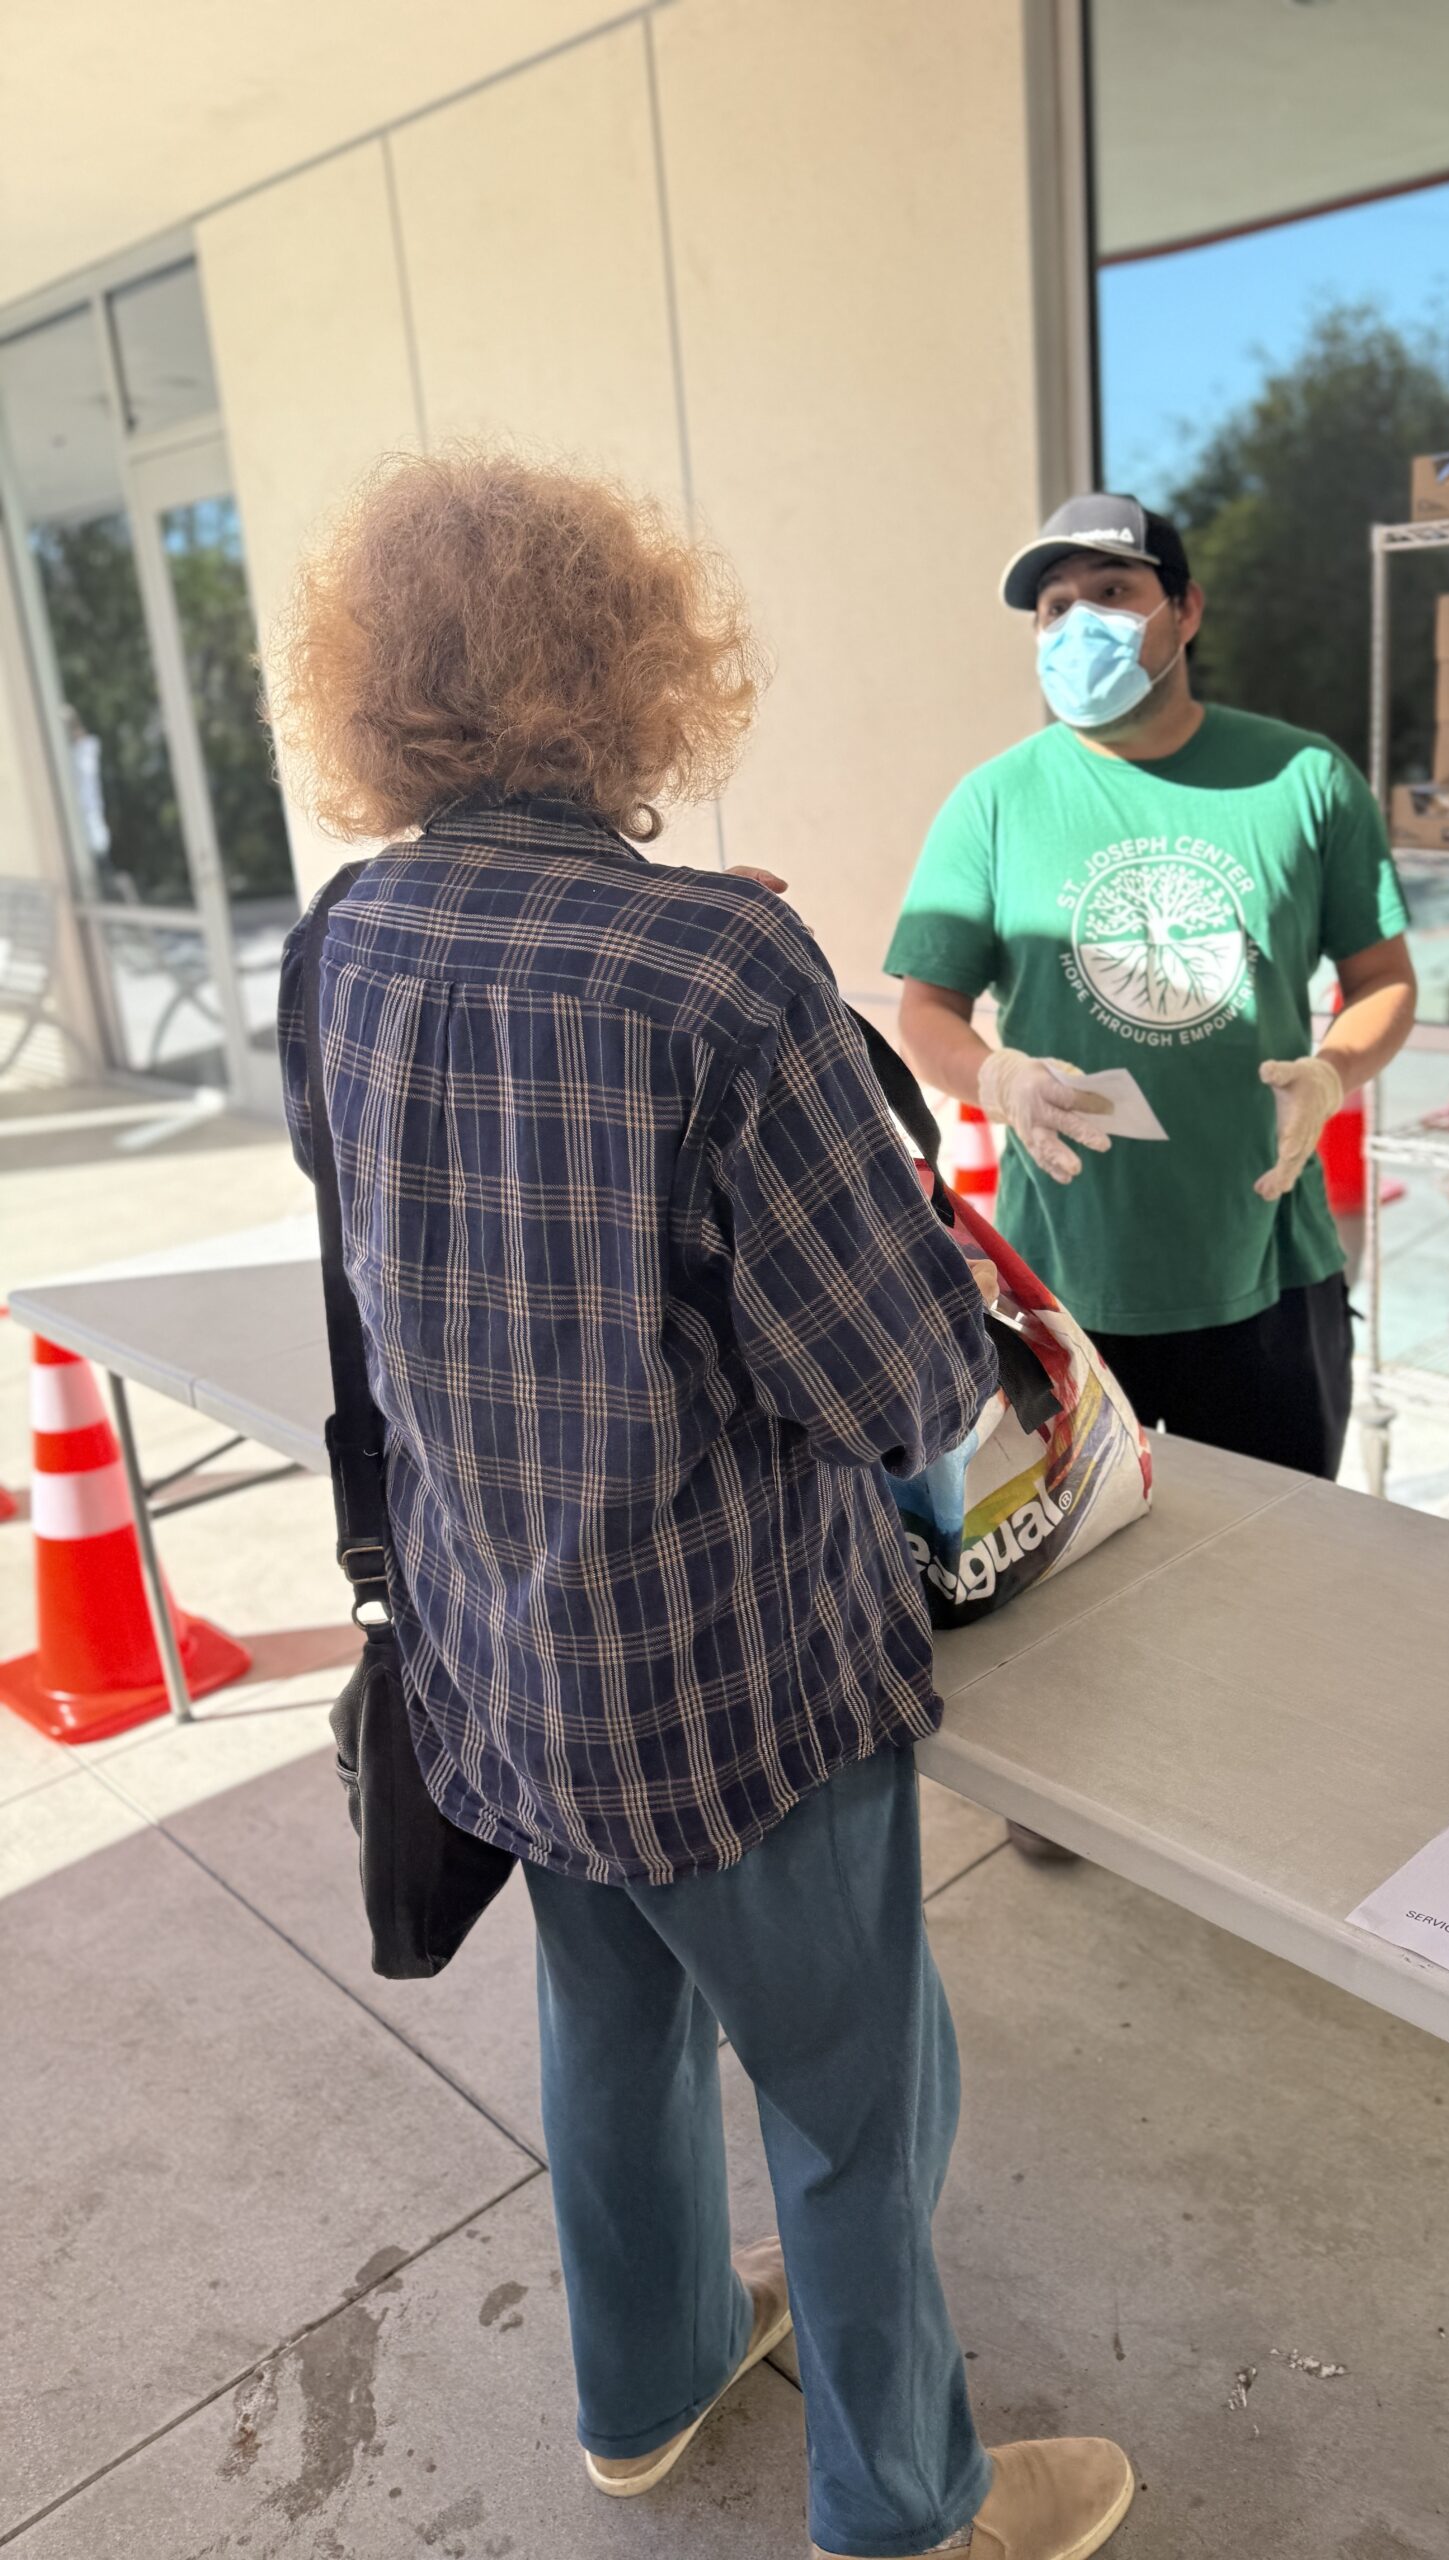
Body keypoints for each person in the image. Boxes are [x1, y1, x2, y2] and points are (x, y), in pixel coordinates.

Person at [270, 449, 1135, 2560]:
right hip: (735, 1679)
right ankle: (909, 2505)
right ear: (638, 675)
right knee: (850, 2102)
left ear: (378, 692)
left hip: (505, 1654)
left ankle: (643, 2383)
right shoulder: (719, 972)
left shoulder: (347, 937)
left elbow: (377, 1260)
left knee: (611, 2031)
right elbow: (902, 1388)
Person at [887, 492, 1415, 1482]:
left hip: (1267, 1269)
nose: (1078, 621)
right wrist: (996, 1078)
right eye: (1054, 606)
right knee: (1090, 1598)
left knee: (1272, 1566)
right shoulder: (994, 802)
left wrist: (1334, 1071)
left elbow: (1382, 979)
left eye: (1113, 591)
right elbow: (927, 1008)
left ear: (1187, 609)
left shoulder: (1305, 778)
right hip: (1068, 1278)